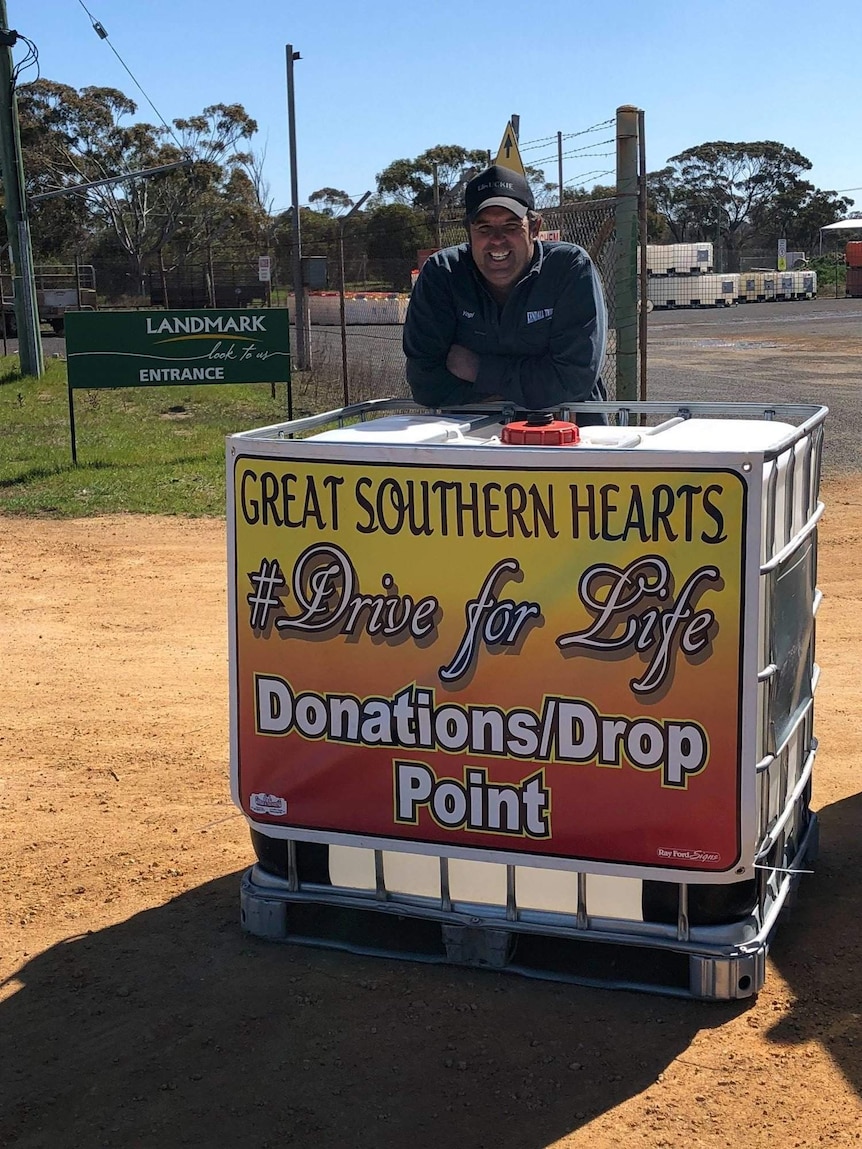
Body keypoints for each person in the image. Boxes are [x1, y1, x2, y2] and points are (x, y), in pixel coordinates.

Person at [402, 164, 608, 423]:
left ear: (534, 228)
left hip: (567, 441)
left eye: (511, 226)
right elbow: (425, 383)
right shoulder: (442, 273)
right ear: (468, 231)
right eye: (484, 228)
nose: (497, 240)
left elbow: (575, 378)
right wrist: (532, 391)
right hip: (469, 443)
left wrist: (478, 370)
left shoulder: (569, 268)